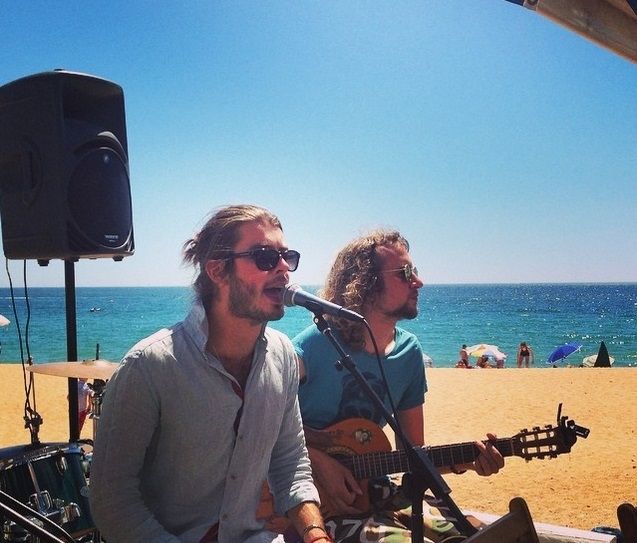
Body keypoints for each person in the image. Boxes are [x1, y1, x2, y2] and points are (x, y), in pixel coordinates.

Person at [90, 205, 328, 543]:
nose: (283, 270)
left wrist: (316, 534)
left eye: (286, 256)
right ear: (217, 270)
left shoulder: (284, 356)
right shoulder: (149, 366)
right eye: (264, 257)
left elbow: (290, 462)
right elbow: (112, 501)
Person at [293, 229, 504, 542]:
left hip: (378, 491)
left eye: (414, 272)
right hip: (313, 509)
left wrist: (465, 462)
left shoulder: (408, 353)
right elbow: (254, 429)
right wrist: (318, 461)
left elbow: (412, 454)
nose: (418, 282)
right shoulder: (309, 349)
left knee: (479, 535)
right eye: (405, 273)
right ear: (365, 283)